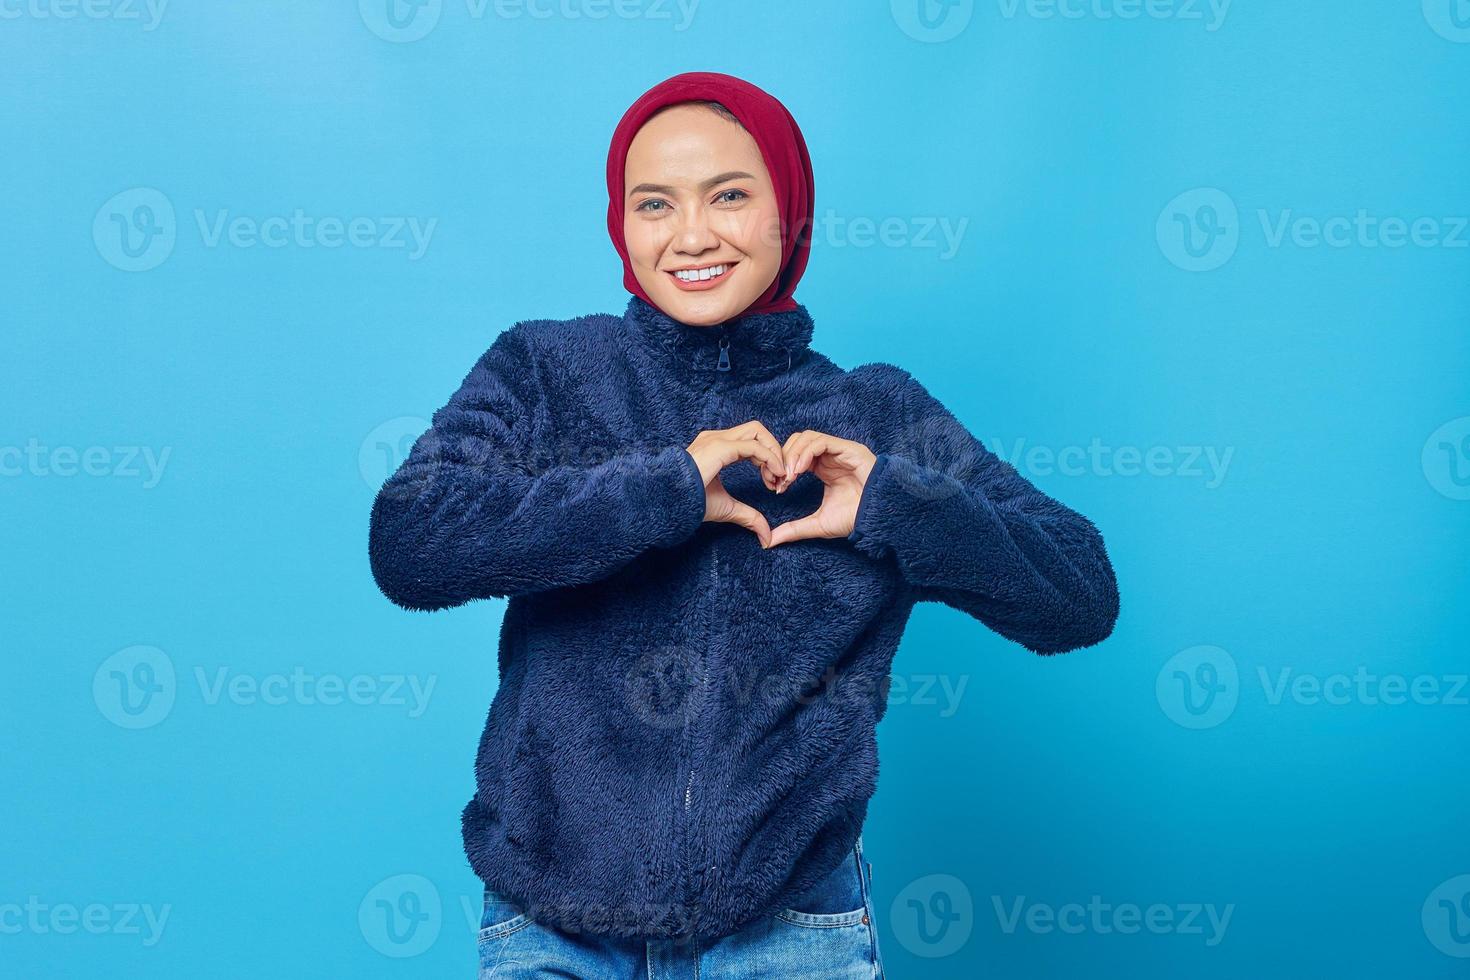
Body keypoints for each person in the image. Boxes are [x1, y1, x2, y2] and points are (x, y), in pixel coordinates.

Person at [368, 70, 1120, 979]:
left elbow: (1081, 594)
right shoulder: (547, 370)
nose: (692, 236)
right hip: (549, 928)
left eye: (729, 195)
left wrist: (891, 500)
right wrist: (669, 488)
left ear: (789, 211)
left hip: (790, 931)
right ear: (621, 223)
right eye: (655, 203)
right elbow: (411, 541)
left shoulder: (872, 413)